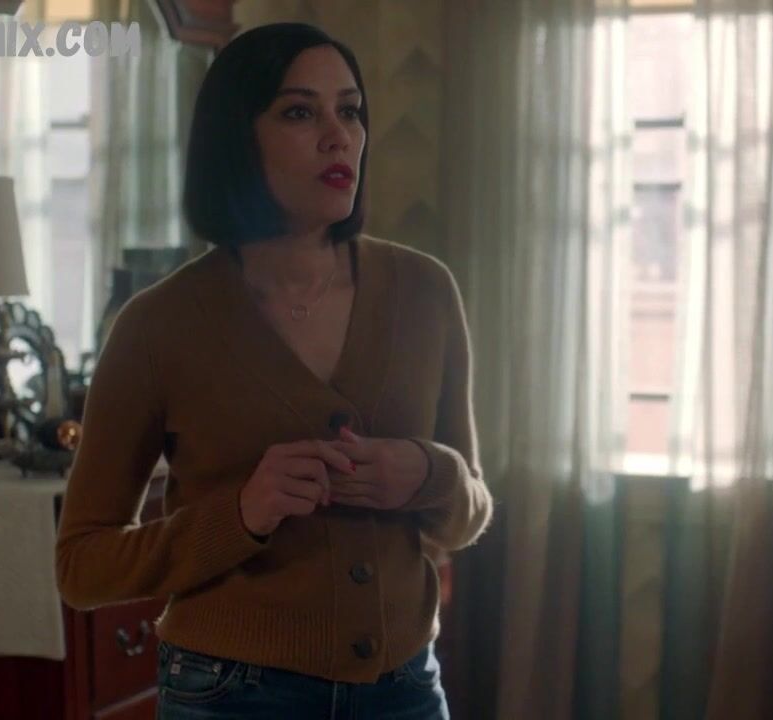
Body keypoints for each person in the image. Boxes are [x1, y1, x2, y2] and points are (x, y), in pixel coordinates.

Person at [55, 22, 493, 720]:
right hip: (230, 694)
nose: (338, 135)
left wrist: (428, 473)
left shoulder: (425, 291)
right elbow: (82, 567)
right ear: (238, 139)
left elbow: (468, 512)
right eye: (299, 112)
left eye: (350, 111)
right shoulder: (157, 325)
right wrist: (240, 515)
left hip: (405, 690)